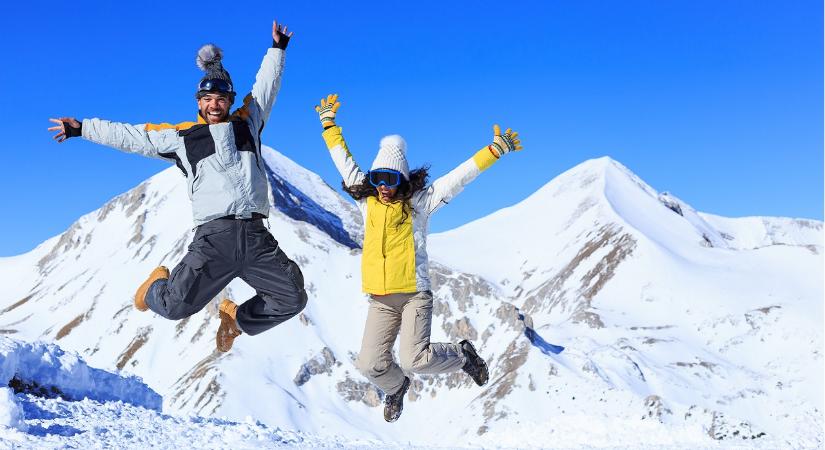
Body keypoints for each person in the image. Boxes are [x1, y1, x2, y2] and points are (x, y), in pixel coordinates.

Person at [47, 21, 306, 354]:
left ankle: (236, 321)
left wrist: (277, 50)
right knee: (174, 307)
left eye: (221, 99)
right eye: (208, 99)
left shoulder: (248, 124)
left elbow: (266, 87)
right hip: (214, 239)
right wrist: (83, 128)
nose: (215, 104)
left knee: (292, 297)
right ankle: (156, 285)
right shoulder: (184, 138)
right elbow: (132, 137)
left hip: (257, 237)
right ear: (199, 103)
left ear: (229, 101)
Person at [313, 94, 523, 422]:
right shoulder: (366, 203)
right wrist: (329, 125)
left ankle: (462, 356)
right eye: (378, 178)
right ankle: (396, 388)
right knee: (370, 364)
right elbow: (343, 159)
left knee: (415, 360)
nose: (383, 186)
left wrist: (494, 151)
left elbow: (458, 179)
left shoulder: (419, 205)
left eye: (391, 179)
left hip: (414, 295)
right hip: (381, 300)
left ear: (402, 180)